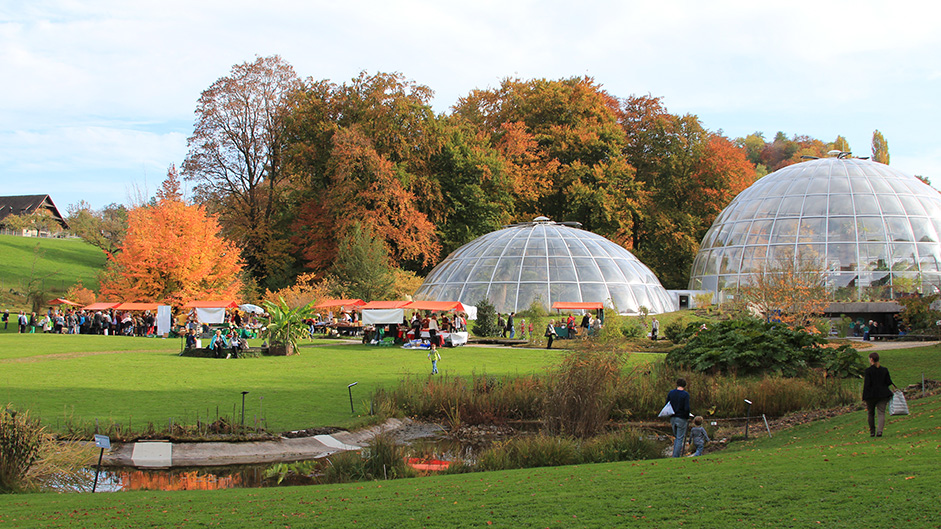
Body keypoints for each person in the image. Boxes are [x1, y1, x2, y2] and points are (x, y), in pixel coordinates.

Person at [862, 352, 897, 437]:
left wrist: (864, 396)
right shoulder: (884, 370)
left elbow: (867, 384)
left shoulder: (868, 371)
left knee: (871, 413)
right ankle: (880, 431)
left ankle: (872, 431)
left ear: (871, 359)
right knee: (881, 412)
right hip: (883, 394)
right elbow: (888, 382)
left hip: (871, 395)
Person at [666, 378, 691, 458]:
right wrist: (687, 416)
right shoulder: (685, 395)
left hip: (673, 417)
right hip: (681, 417)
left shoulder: (671, 393)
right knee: (680, 438)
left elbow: (667, 404)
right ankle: (676, 456)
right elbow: (686, 408)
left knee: (676, 436)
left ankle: (675, 454)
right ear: (684, 385)